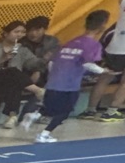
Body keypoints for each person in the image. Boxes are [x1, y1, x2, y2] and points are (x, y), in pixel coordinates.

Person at [33, 10, 109, 144]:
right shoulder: (93, 45)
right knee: (64, 112)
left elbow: (52, 62)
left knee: (50, 108)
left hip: (54, 82)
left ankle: (34, 115)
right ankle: (44, 134)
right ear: (102, 26)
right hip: (69, 85)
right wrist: (104, 71)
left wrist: (53, 77)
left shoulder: (71, 42)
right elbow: (88, 64)